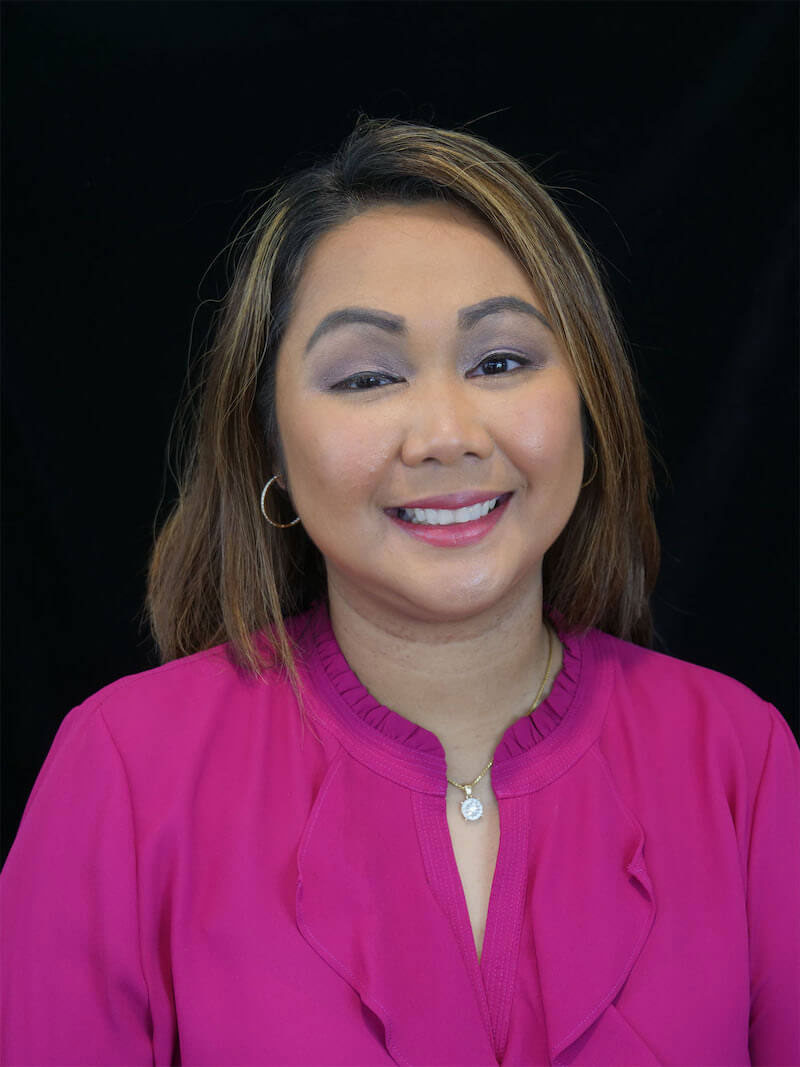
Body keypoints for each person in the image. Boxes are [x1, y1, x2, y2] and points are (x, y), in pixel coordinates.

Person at [1, 116, 798, 1067]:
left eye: (500, 361)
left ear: (589, 401)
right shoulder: (121, 772)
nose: (445, 434)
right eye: (368, 376)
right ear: (270, 449)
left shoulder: (742, 762)